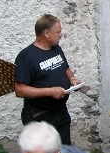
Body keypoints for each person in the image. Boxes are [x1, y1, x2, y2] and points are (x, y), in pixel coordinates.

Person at [15, 14, 81, 145]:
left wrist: (73, 79)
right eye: (58, 32)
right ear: (46, 33)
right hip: (40, 117)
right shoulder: (26, 57)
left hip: (60, 113)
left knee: (65, 151)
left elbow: (66, 68)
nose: (61, 35)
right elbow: (20, 90)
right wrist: (50, 92)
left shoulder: (56, 48)